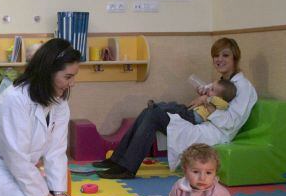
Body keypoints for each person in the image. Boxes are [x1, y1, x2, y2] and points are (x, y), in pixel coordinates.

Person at [95, 37, 257, 179]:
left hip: (213, 134)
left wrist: (207, 104)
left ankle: (127, 168)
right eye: (216, 55)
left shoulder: (243, 87)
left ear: (236, 57)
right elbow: (207, 97)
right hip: (201, 123)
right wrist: (203, 98)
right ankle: (118, 160)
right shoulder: (222, 82)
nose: (219, 59)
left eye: (225, 55)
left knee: (154, 114)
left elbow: (231, 123)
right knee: (150, 111)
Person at [0, 38, 80, 196]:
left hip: (24, 168)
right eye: (68, 77)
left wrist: (58, 192)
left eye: (74, 76)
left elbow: (56, 150)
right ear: (47, 72)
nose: (72, 83)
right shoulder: (14, 99)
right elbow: (16, 156)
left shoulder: (59, 102)